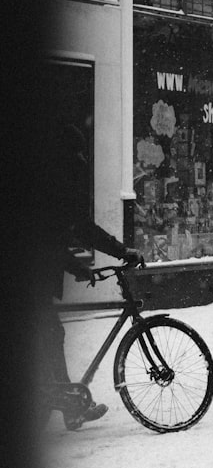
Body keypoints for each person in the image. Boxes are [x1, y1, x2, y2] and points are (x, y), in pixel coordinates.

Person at [39, 124, 143, 429]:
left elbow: (68, 231)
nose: (83, 159)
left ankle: (70, 405)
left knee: (51, 335)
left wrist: (78, 265)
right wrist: (121, 253)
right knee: (50, 334)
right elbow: (58, 235)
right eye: (79, 153)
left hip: (38, 272)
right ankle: (67, 402)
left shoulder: (49, 183)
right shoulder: (55, 186)